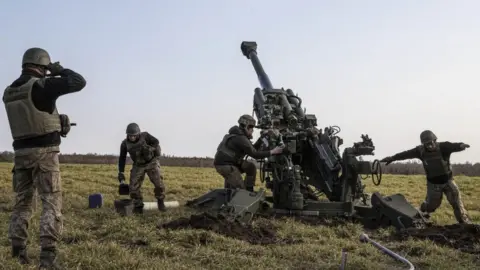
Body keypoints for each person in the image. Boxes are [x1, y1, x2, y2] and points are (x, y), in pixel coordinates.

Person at [3, 47, 86, 268]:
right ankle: (48, 258)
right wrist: (58, 69)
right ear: (42, 66)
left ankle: (18, 250)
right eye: (46, 68)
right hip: (45, 154)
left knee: (22, 204)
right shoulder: (42, 85)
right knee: (51, 202)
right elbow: (79, 81)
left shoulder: (9, 91)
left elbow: (32, 114)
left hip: (20, 155)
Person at [380, 130, 471, 224]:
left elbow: (455, 146)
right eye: (426, 144)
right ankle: (422, 212)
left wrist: (462, 145)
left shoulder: (444, 146)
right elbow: (406, 154)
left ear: (435, 140)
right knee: (431, 205)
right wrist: (392, 158)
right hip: (433, 184)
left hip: (448, 181)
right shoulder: (420, 151)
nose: (429, 146)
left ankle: (464, 223)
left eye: (431, 143)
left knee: (456, 203)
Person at [213, 114, 284, 191]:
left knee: (251, 167)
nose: (253, 130)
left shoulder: (238, 135)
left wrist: (262, 138)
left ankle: (249, 190)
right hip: (225, 165)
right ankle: (242, 194)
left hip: (231, 162)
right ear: (246, 127)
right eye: (251, 128)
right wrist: (273, 151)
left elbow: (251, 149)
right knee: (240, 191)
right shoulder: (240, 138)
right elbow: (255, 154)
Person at [117, 123, 166, 214]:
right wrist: (121, 172)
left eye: (134, 136)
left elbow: (156, 141)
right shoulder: (124, 144)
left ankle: (160, 202)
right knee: (133, 187)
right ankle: (138, 206)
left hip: (152, 162)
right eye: (130, 135)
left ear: (138, 134)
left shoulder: (146, 136)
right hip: (138, 165)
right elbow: (122, 158)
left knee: (158, 183)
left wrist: (150, 149)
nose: (132, 137)